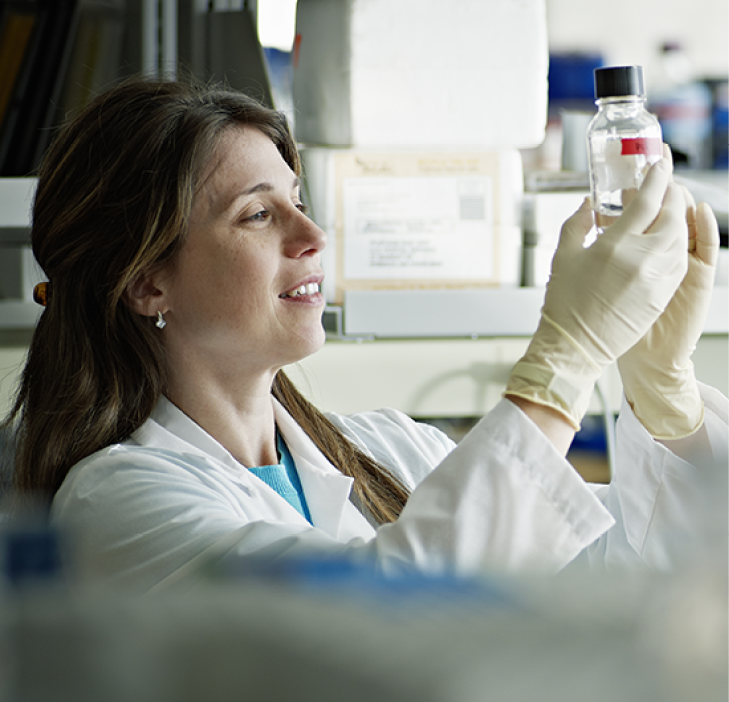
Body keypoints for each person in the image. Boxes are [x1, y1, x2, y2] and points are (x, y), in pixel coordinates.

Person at [3, 76, 723, 591]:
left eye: (301, 201)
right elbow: (379, 628)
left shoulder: (389, 448)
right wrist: (562, 362)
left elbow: (627, 574)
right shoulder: (119, 503)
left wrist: (665, 395)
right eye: (259, 214)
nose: (313, 236)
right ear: (145, 282)